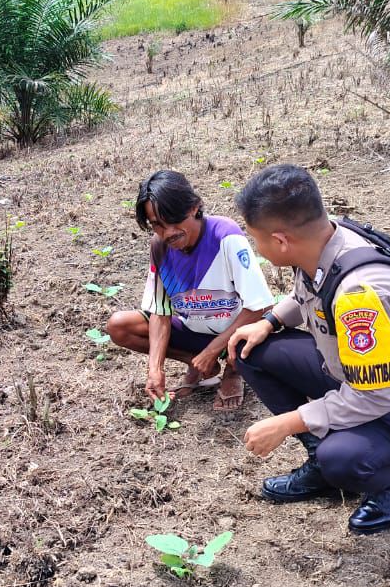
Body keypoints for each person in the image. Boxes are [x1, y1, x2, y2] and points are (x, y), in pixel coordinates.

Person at [227, 164, 390, 534]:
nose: (258, 248)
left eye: (257, 239)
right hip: (350, 371)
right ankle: (319, 463)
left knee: (344, 459)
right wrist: (268, 322)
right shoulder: (325, 238)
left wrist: (287, 423)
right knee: (249, 349)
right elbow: (306, 293)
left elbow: (373, 400)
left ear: (281, 240)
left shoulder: (359, 297)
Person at [106, 170, 274, 411]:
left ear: (195, 207)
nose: (168, 233)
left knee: (256, 336)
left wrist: (212, 350)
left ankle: (233, 370)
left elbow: (260, 306)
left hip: (234, 332)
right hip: (193, 330)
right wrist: (155, 369)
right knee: (119, 326)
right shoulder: (160, 247)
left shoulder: (225, 235)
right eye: (157, 225)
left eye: (174, 220)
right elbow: (160, 312)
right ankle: (196, 362)